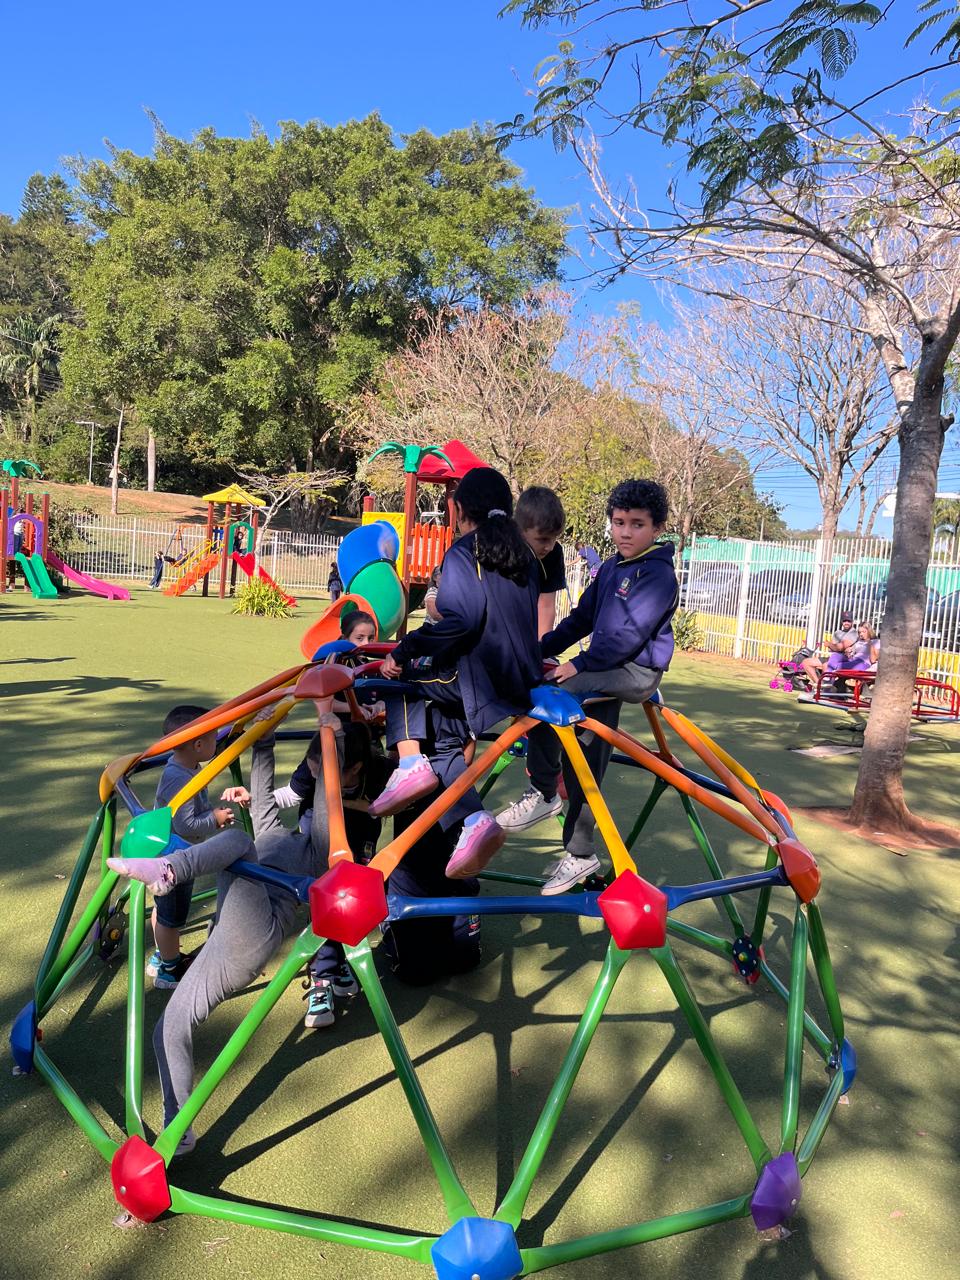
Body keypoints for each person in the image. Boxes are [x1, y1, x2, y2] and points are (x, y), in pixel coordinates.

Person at [108, 699, 342, 1152]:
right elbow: (264, 782)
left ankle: (169, 871)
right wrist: (264, 735)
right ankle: (180, 1127)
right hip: (227, 933)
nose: (307, 802)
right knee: (168, 1028)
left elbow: (328, 802)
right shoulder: (273, 827)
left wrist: (330, 736)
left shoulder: (317, 850)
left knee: (235, 840)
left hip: (255, 931)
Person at [497, 479, 679, 895]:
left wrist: (578, 664)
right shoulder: (614, 566)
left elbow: (628, 638)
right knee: (549, 692)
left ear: (657, 528)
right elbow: (581, 619)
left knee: (565, 701)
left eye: (637, 524)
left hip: (635, 670)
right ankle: (552, 803)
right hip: (604, 666)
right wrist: (539, 649)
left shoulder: (657, 575)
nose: (626, 532)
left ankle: (566, 828)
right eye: (618, 523)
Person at [370, 467, 541, 878]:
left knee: (399, 677)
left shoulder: (466, 551)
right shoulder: (526, 556)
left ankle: (410, 762)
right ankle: (474, 820)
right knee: (446, 746)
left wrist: (407, 647)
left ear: (460, 509)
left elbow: (461, 621)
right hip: (517, 683)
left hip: (474, 679)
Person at [149, 707, 236, 989]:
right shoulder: (180, 778)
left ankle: (163, 956)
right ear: (198, 745)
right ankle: (169, 970)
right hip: (173, 856)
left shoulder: (185, 764)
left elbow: (185, 818)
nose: (216, 740)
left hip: (172, 851)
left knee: (164, 911)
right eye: (213, 737)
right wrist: (215, 818)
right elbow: (186, 824)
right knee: (171, 916)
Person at [516, 486, 567, 639]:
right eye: (543, 539)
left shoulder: (554, 553)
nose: (550, 547)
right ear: (520, 530)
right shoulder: (500, 549)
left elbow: (546, 605)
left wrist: (541, 649)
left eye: (555, 538)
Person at [801, 621, 880, 688]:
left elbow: (873, 660)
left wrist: (871, 645)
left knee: (837, 667)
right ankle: (827, 679)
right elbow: (853, 653)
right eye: (859, 632)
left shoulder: (876, 642)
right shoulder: (859, 641)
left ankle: (827, 685)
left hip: (862, 663)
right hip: (852, 659)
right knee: (835, 655)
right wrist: (849, 651)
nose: (861, 634)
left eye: (863, 632)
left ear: (869, 631)